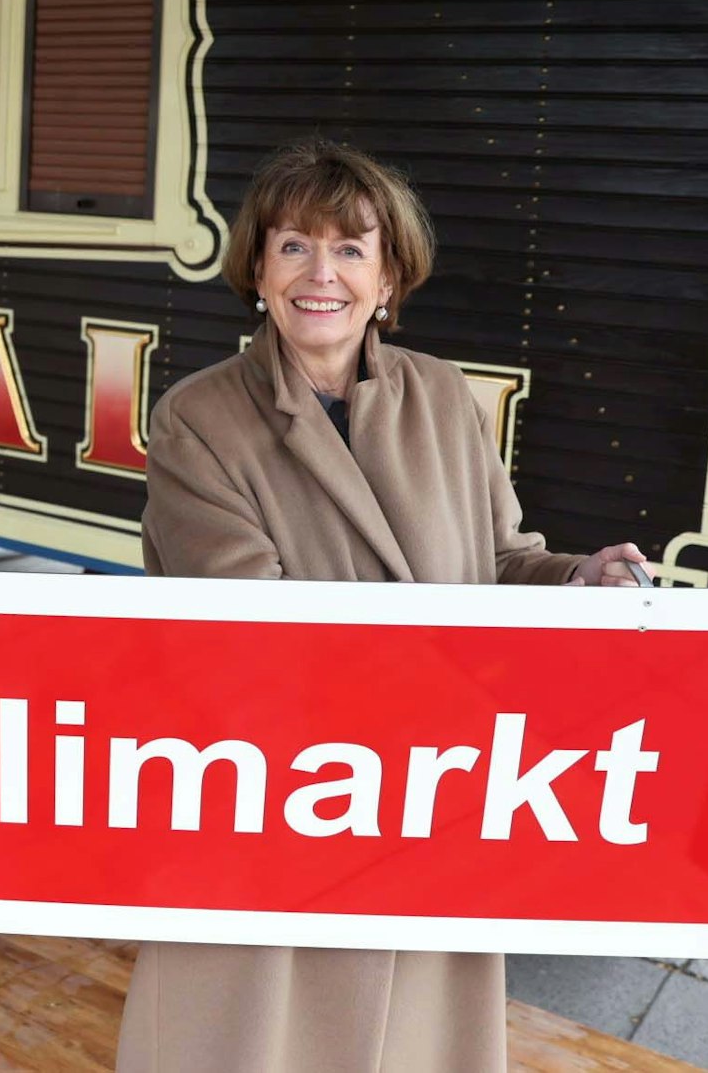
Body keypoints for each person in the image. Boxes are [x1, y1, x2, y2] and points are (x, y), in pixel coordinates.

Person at [124, 138, 651, 1072]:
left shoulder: (444, 394)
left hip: (429, 798)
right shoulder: (197, 419)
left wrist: (578, 580)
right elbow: (247, 627)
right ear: (256, 268)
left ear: (389, 278)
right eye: (292, 246)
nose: (319, 274)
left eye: (350, 249)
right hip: (287, 798)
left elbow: (500, 558)